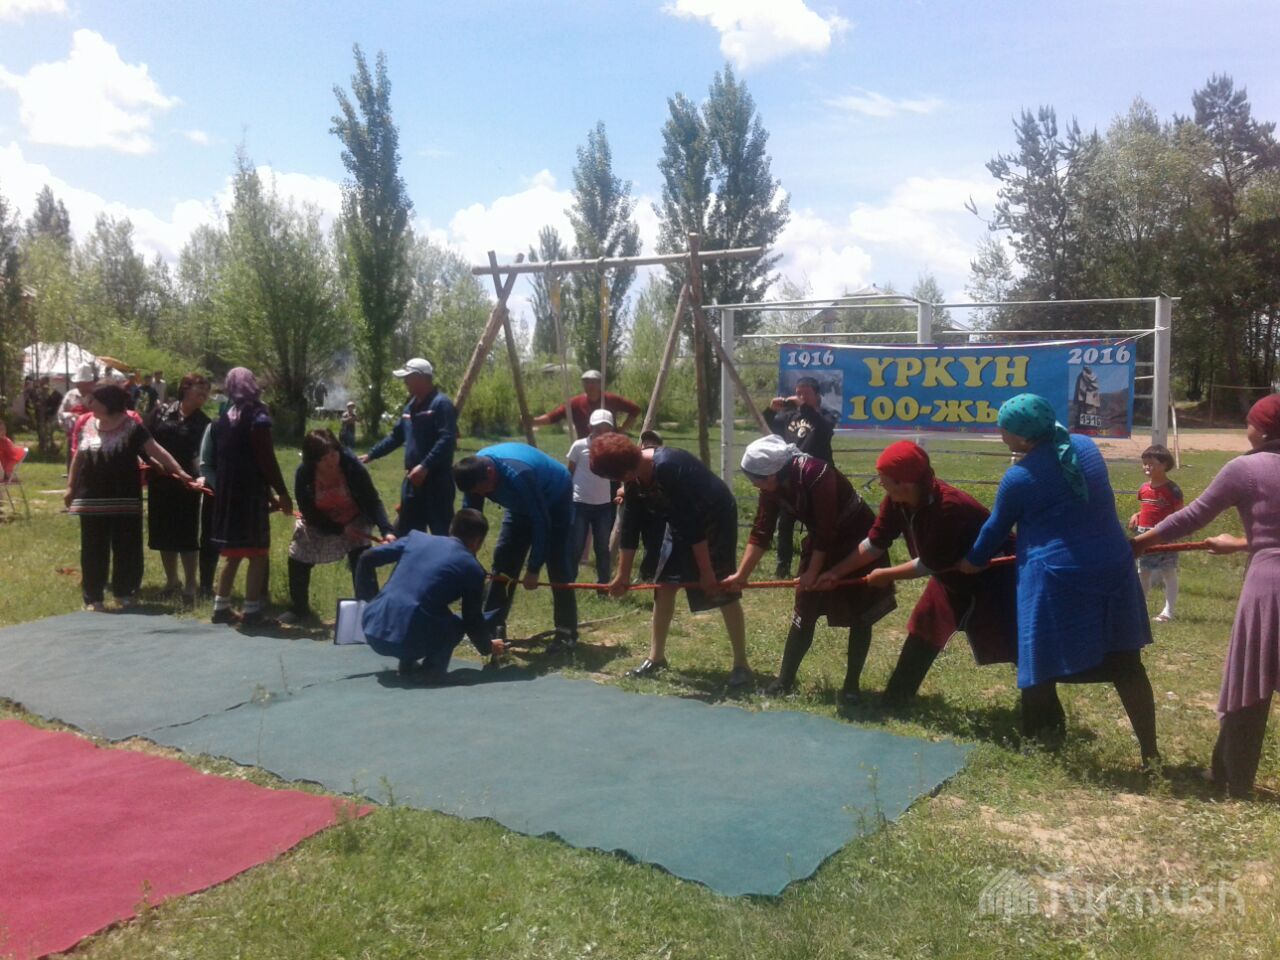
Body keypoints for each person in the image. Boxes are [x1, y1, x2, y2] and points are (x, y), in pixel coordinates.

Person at [958, 393, 1158, 765]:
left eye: (1004, 430)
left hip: (1057, 578)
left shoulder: (1019, 478)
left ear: (1022, 436)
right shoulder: (1085, 448)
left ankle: (1037, 747)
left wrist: (971, 562)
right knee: (1126, 663)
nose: (1001, 436)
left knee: (1037, 659)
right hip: (1113, 567)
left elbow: (995, 529)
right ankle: (1151, 754)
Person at [1133, 394, 1280, 798]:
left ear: (1261, 430)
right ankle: (1225, 770)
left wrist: (1141, 543)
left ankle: (1233, 777)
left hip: (1269, 586)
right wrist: (1244, 542)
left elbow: (1193, 516)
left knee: (1252, 683)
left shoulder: (1246, 469)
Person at [818, 440, 1019, 704]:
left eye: (884, 479)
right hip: (950, 579)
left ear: (906, 483)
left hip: (996, 578)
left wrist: (886, 575)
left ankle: (1042, 709)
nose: (880, 484)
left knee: (1016, 643)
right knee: (925, 628)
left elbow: (928, 564)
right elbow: (875, 544)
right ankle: (896, 699)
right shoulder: (897, 501)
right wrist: (835, 573)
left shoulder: (948, 507)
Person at [726, 435, 894, 700]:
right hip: (820, 542)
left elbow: (827, 529)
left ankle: (851, 686)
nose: (754, 485)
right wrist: (741, 575)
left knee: (860, 613)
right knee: (805, 609)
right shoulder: (770, 488)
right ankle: (784, 681)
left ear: (772, 473)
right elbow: (761, 531)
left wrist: (813, 573)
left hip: (856, 540)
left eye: (755, 479)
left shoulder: (817, 474)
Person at [590, 432, 752, 687]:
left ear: (623, 470)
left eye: (611, 476)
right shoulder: (634, 478)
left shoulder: (668, 467)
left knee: (721, 587)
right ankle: (656, 658)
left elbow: (692, 525)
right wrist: (622, 575)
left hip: (713, 517)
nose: (613, 481)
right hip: (679, 521)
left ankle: (741, 664)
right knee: (664, 583)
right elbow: (630, 526)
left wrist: (707, 573)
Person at [65, 384, 193, 611]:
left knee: (127, 546)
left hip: (124, 499)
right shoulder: (88, 424)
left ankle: (125, 593)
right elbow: (78, 459)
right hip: (92, 499)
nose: (89, 403)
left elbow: (156, 450)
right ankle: (94, 598)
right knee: (93, 549)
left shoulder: (132, 427)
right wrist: (70, 487)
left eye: (94, 400)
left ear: (107, 403)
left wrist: (180, 472)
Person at [453, 443, 579, 652]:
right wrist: (466, 555)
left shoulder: (519, 474)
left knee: (557, 564)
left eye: (483, 489)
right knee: (504, 563)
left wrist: (534, 568)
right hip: (518, 505)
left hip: (554, 500)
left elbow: (541, 521)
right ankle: (492, 628)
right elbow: (471, 518)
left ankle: (566, 631)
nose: (481, 494)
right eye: (476, 491)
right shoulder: (475, 474)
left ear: (490, 472)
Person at [357, 509, 506, 680]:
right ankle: (431, 670)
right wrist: (487, 647)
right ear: (478, 541)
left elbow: (366, 558)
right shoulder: (472, 568)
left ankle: (407, 664)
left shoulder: (416, 538)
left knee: (426, 609)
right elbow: (471, 620)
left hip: (372, 631)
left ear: (451, 528)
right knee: (454, 624)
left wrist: (369, 602)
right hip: (407, 641)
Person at [207, 367, 292, 626]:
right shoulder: (257, 415)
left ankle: (221, 607)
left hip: (228, 492)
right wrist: (281, 492)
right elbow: (265, 458)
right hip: (249, 494)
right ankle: (252, 611)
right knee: (257, 553)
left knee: (232, 552)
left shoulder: (225, 416)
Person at [282, 429, 394, 624]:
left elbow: (372, 500)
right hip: (321, 521)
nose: (331, 461)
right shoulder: (304, 474)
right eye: (324, 458)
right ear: (313, 460)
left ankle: (370, 612)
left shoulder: (352, 466)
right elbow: (309, 513)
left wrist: (387, 530)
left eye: (334, 454)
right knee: (298, 555)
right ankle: (299, 609)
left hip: (354, 518)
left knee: (363, 559)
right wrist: (339, 529)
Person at [361, 358, 457, 537]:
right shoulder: (410, 407)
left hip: (437, 483)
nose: (405, 382)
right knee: (409, 534)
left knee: (442, 534)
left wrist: (425, 466)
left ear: (421, 378)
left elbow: (447, 439)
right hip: (413, 482)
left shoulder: (441, 404)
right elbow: (396, 436)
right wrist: (372, 454)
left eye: (408, 378)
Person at [145, 373, 212, 605]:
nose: (204, 393)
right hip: (160, 481)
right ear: (185, 388)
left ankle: (191, 584)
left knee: (186, 534)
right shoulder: (161, 412)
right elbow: (144, 440)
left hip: (186, 484)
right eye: (199, 388)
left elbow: (204, 455)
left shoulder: (204, 423)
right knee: (163, 533)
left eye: (206, 391)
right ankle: (172, 582)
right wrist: (151, 461)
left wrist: (199, 477)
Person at [764, 376, 838, 577]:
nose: (801, 396)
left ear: (817, 395)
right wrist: (771, 410)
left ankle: (816, 565)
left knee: (818, 524)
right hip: (792, 476)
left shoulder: (826, 414)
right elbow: (768, 428)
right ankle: (782, 566)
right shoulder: (789, 415)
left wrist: (803, 407)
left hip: (818, 478)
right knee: (785, 522)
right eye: (798, 393)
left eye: (806, 393)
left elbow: (825, 430)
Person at [1126, 443, 1183, 622]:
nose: (1147, 467)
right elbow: (1146, 508)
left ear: (1164, 464)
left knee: (1168, 572)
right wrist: (1136, 515)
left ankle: (1168, 611)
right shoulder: (1144, 489)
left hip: (1165, 535)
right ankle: (1140, 608)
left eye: (1151, 463)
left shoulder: (1172, 490)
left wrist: (1174, 532)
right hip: (1144, 535)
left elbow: (1180, 514)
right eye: (1145, 463)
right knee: (1143, 572)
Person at [567, 408, 616, 586]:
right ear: (590, 428)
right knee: (576, 546)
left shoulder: (613, 449)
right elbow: (570, 472)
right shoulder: (579, 446)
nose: (601, 434)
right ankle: (568, 584)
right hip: (580, 502)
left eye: (606, 430)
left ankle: (603, 585)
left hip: (603, 505)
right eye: (598, 429)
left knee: (602, 547)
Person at [532, 369, 640, 439]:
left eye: (593, 382)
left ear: (600, 384)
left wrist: (622, 429)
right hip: (585, 445)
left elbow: (635, 409)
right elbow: (553, 416)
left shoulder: (611, 399)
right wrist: (533, 421)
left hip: (609, 443)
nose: (590, 385)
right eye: (586, 382)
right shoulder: (575, 403)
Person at [58, 364, 96, 474]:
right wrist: (71, 417)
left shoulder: (96, 396)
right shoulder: (71, 395)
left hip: (93, 437)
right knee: (73, 465)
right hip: (74, 435)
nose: (82, 386)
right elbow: (61, 414)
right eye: (79, 383)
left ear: (90, 383)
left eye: (85, 383)